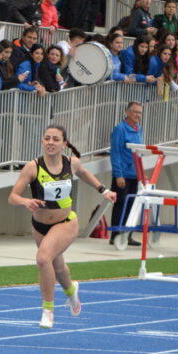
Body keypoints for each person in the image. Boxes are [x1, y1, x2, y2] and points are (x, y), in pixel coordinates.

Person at [8, 125, 116, 328]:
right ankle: (71, 292)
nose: (50, 142)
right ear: (42, 141)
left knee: (42, 258)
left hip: (65, 222)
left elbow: (83, 173)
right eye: (47, 138)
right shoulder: (33, 167)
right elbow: (12, 197)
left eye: (55, 139)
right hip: (39, 225)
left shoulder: (71, 162)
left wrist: (104, 190)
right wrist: (25, 201)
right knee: (57, 266)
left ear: (64, 144)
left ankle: (48, 310)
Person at [109, 102, 143, 247]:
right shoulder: (120, 129)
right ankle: (116, 235)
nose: (138, 115)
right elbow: (115, 152)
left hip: (134, 174)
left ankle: (127, 234)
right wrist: (118, 175)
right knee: (120, 204)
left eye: (140, 113)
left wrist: (141, 173)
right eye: (135, 112)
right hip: (123, 174)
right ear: (127, 112)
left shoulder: (138, 129)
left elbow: (138, 153)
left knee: (131, 205)